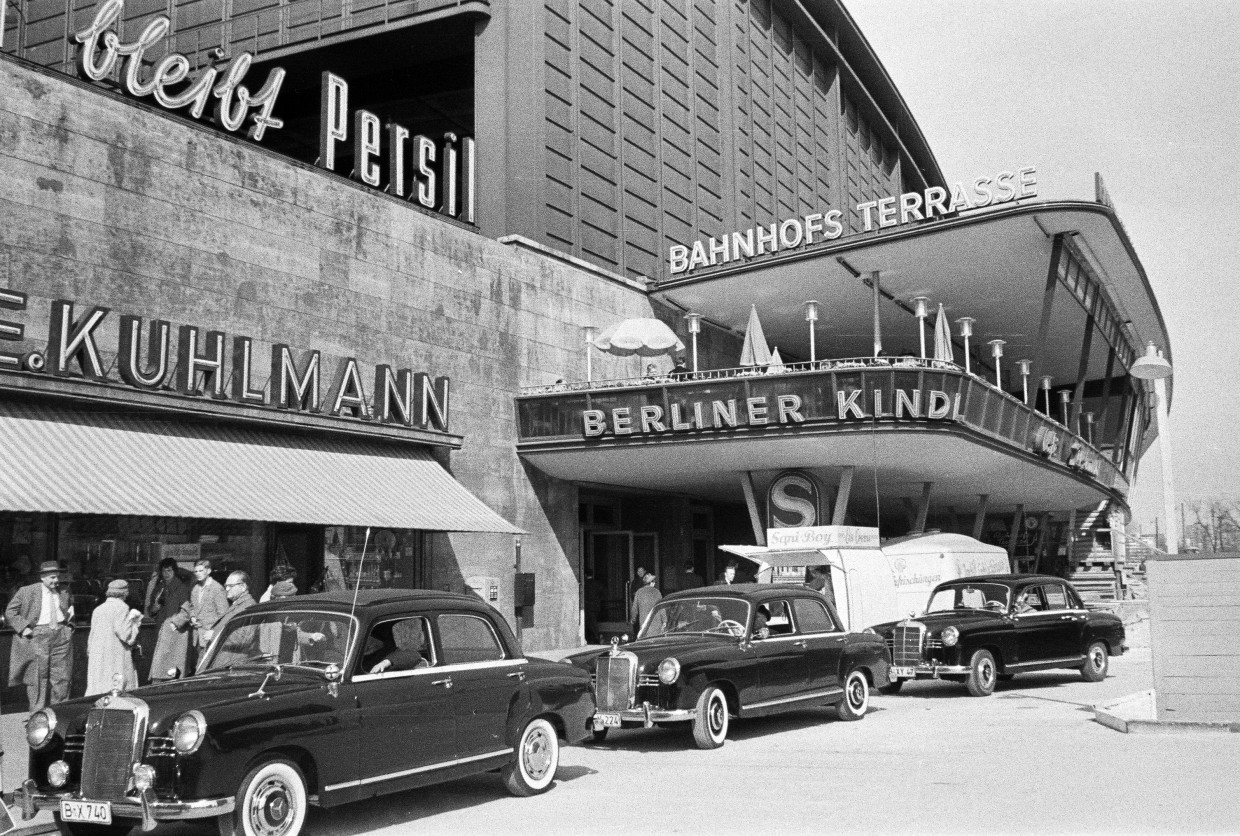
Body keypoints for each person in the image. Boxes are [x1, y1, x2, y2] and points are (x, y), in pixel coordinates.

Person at [5, 561, 74, 711]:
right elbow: (10, 612)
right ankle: (37, 714)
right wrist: (23, 628)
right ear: (42, 577)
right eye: (52, 578)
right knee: (38, 676)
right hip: (38, 636)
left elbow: (70, 610)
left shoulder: (64, 591)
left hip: (61, 634)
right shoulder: (27, 591)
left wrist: (69, 627)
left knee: (62, 675)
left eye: (57, 577)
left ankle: (59, 711)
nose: (56, 581)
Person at [166, 558, 229, 672]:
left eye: (201, 571)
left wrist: (215, 631)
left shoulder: (217, 589)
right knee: (198, 665)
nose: (198, 574)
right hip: (197, 635)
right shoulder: (195, 588)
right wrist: (193, 617)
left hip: (211, 635)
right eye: (196, 572)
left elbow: (224, 614)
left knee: (207, 666)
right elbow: (192, 607)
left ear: (208, 571)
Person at [85, 579, 142, 694]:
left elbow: (91, 636)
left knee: (98, 688)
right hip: (115, 655)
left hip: (98, 656)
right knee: (116, 688)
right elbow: (126, 635)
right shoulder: (122, 607)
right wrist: (135, 622)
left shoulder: (98, 609)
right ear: (124, 592)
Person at [146, 558, 193, 683]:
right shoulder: (159, 588)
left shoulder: (181, 588)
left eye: (169, 570)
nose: (166, 574)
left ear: (174, 571)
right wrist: (155, 607)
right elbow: (151, 610)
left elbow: (187, 611)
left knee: (172, 669)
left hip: (175, 634)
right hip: (161, 631)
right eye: (164, 571)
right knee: (159, 667)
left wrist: (174, 624)